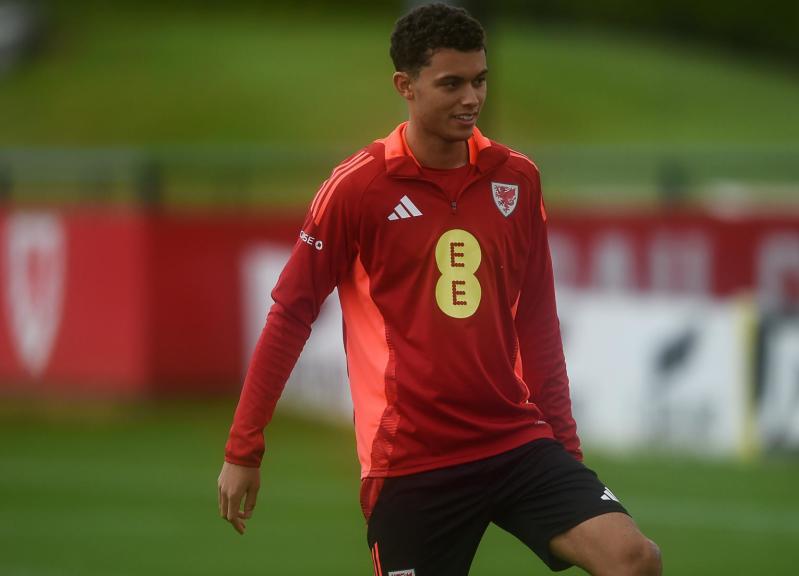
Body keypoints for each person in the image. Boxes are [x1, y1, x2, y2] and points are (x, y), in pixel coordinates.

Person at [217, 4, 662, 575]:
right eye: (451, 84)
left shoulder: (516, 178)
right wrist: (243, 448)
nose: (471, 99)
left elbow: (538, 323)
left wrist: (565, 452)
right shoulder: (358, 188)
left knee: (634, 559)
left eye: (479, 81)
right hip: (411, 462)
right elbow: (290, 314)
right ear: (405, 86)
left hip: (514, 441)